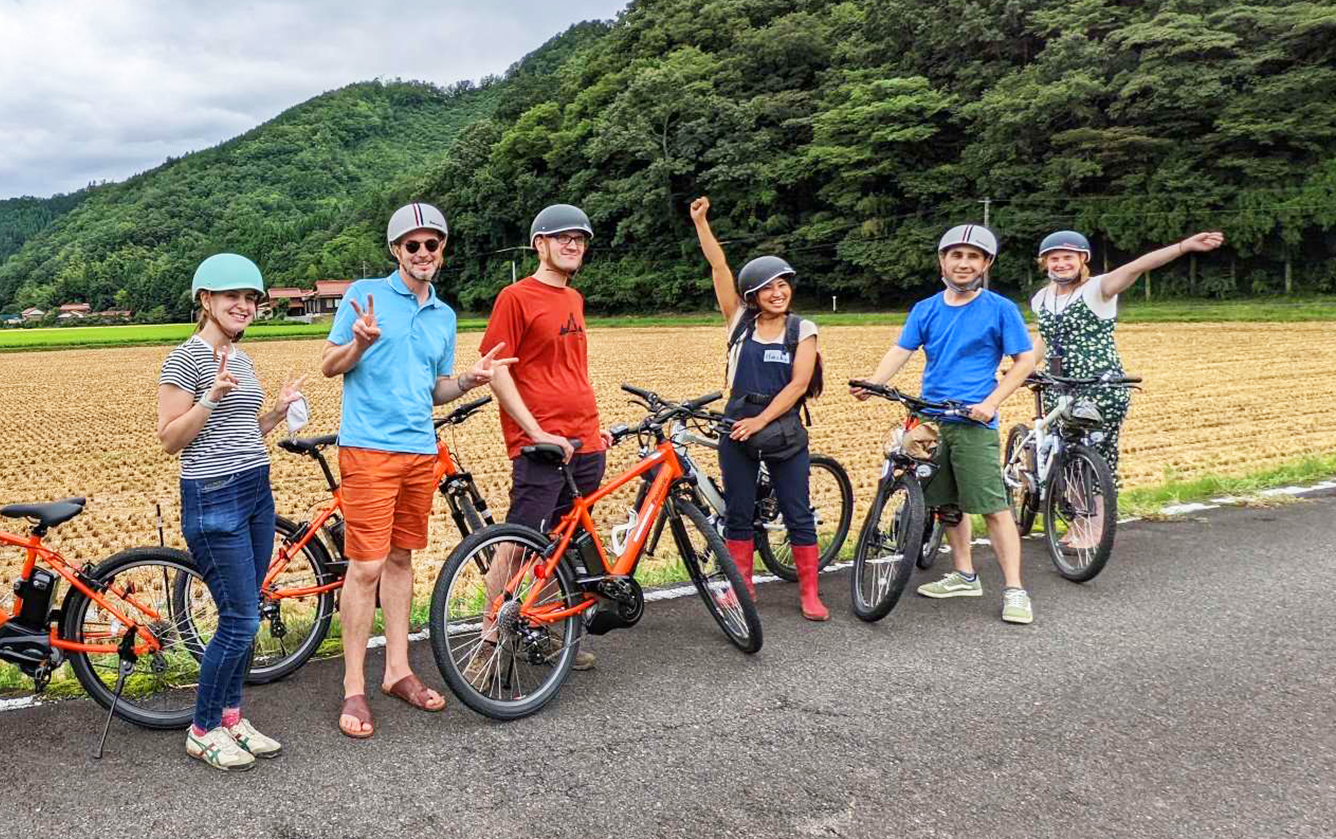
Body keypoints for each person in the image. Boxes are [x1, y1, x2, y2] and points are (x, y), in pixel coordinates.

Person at [322, 203, 515, 739]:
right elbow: (329, 365)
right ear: (396, 251)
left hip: (418, 450)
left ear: (442, 250)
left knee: (402, 559)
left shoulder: (445, 316)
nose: (424, 253)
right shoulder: (366, 296)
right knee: (365, 566)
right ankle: (354, 686)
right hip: (368, 449)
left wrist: (471, 381)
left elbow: (436, 389)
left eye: (433, 244)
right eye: (413, 245)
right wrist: (359, 341)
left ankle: (399, 671)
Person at [158, 253, 306, 770]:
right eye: (232, 298)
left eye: (251, 299)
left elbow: (241, 432)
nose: (244, 306)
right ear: (206, 301)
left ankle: (230, 719)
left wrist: (277, 413)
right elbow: (171, 438)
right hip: (213, 496)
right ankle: (202, 729)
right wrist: (209, 398)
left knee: (249, 611)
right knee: (239, 620)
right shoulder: (185, 359)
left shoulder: (241, 360)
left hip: (255, 490)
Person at [853, 225, 1037, 624]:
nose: (964, 263)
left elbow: (1024, 360)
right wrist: (875, 383)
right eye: (956, 255)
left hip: (973, 420)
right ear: (943, 261)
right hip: (931, 419)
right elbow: (902, 349)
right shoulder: (926, 309)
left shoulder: (1000, 309)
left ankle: (1015, 589)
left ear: (986, 264)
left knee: (992, 506)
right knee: (946, 504)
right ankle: (964, 574)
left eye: (973, 257)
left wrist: (990, 402)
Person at [469, 203, 608, 681]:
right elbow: (496, 374)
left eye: (581, 239)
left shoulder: (575, 299)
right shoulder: (516, 297)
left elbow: (573, 371)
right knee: (518, 543)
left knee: (561, 546)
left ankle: (548, 637)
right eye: (563, 237)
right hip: (543, 445)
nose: (573, 245)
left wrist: (595, 425)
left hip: (585, 439)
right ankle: (490, 641)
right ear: (540, 244)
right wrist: (536, 432)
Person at [690, 196, 828, 621]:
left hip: (782, 429)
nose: (778, 292)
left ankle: (809, 594)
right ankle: (742, 587)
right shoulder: (738, 321)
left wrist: (761, 421)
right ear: (752, 295)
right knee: (738, 510)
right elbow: (719, 268)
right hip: (736, 428)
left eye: (783, 283)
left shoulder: (802, 329)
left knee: (797, 511)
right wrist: (701, 223)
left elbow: (800, 385)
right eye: (768, 287)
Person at [1031, 229, 1225, 494]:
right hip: (1059, 386)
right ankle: (1071, 517)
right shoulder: (1041, 299)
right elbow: (1045, 339)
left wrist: (1183, 247)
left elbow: (1139, 265)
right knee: (1063, 456)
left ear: (1083, 259)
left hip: (1100, 385)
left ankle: (1096, 526)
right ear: (1044, 263)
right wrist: (1025, 369)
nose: (1061, 263)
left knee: (1098, 452)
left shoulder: (1098, 288)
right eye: (1053, 259)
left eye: (1068, 257)